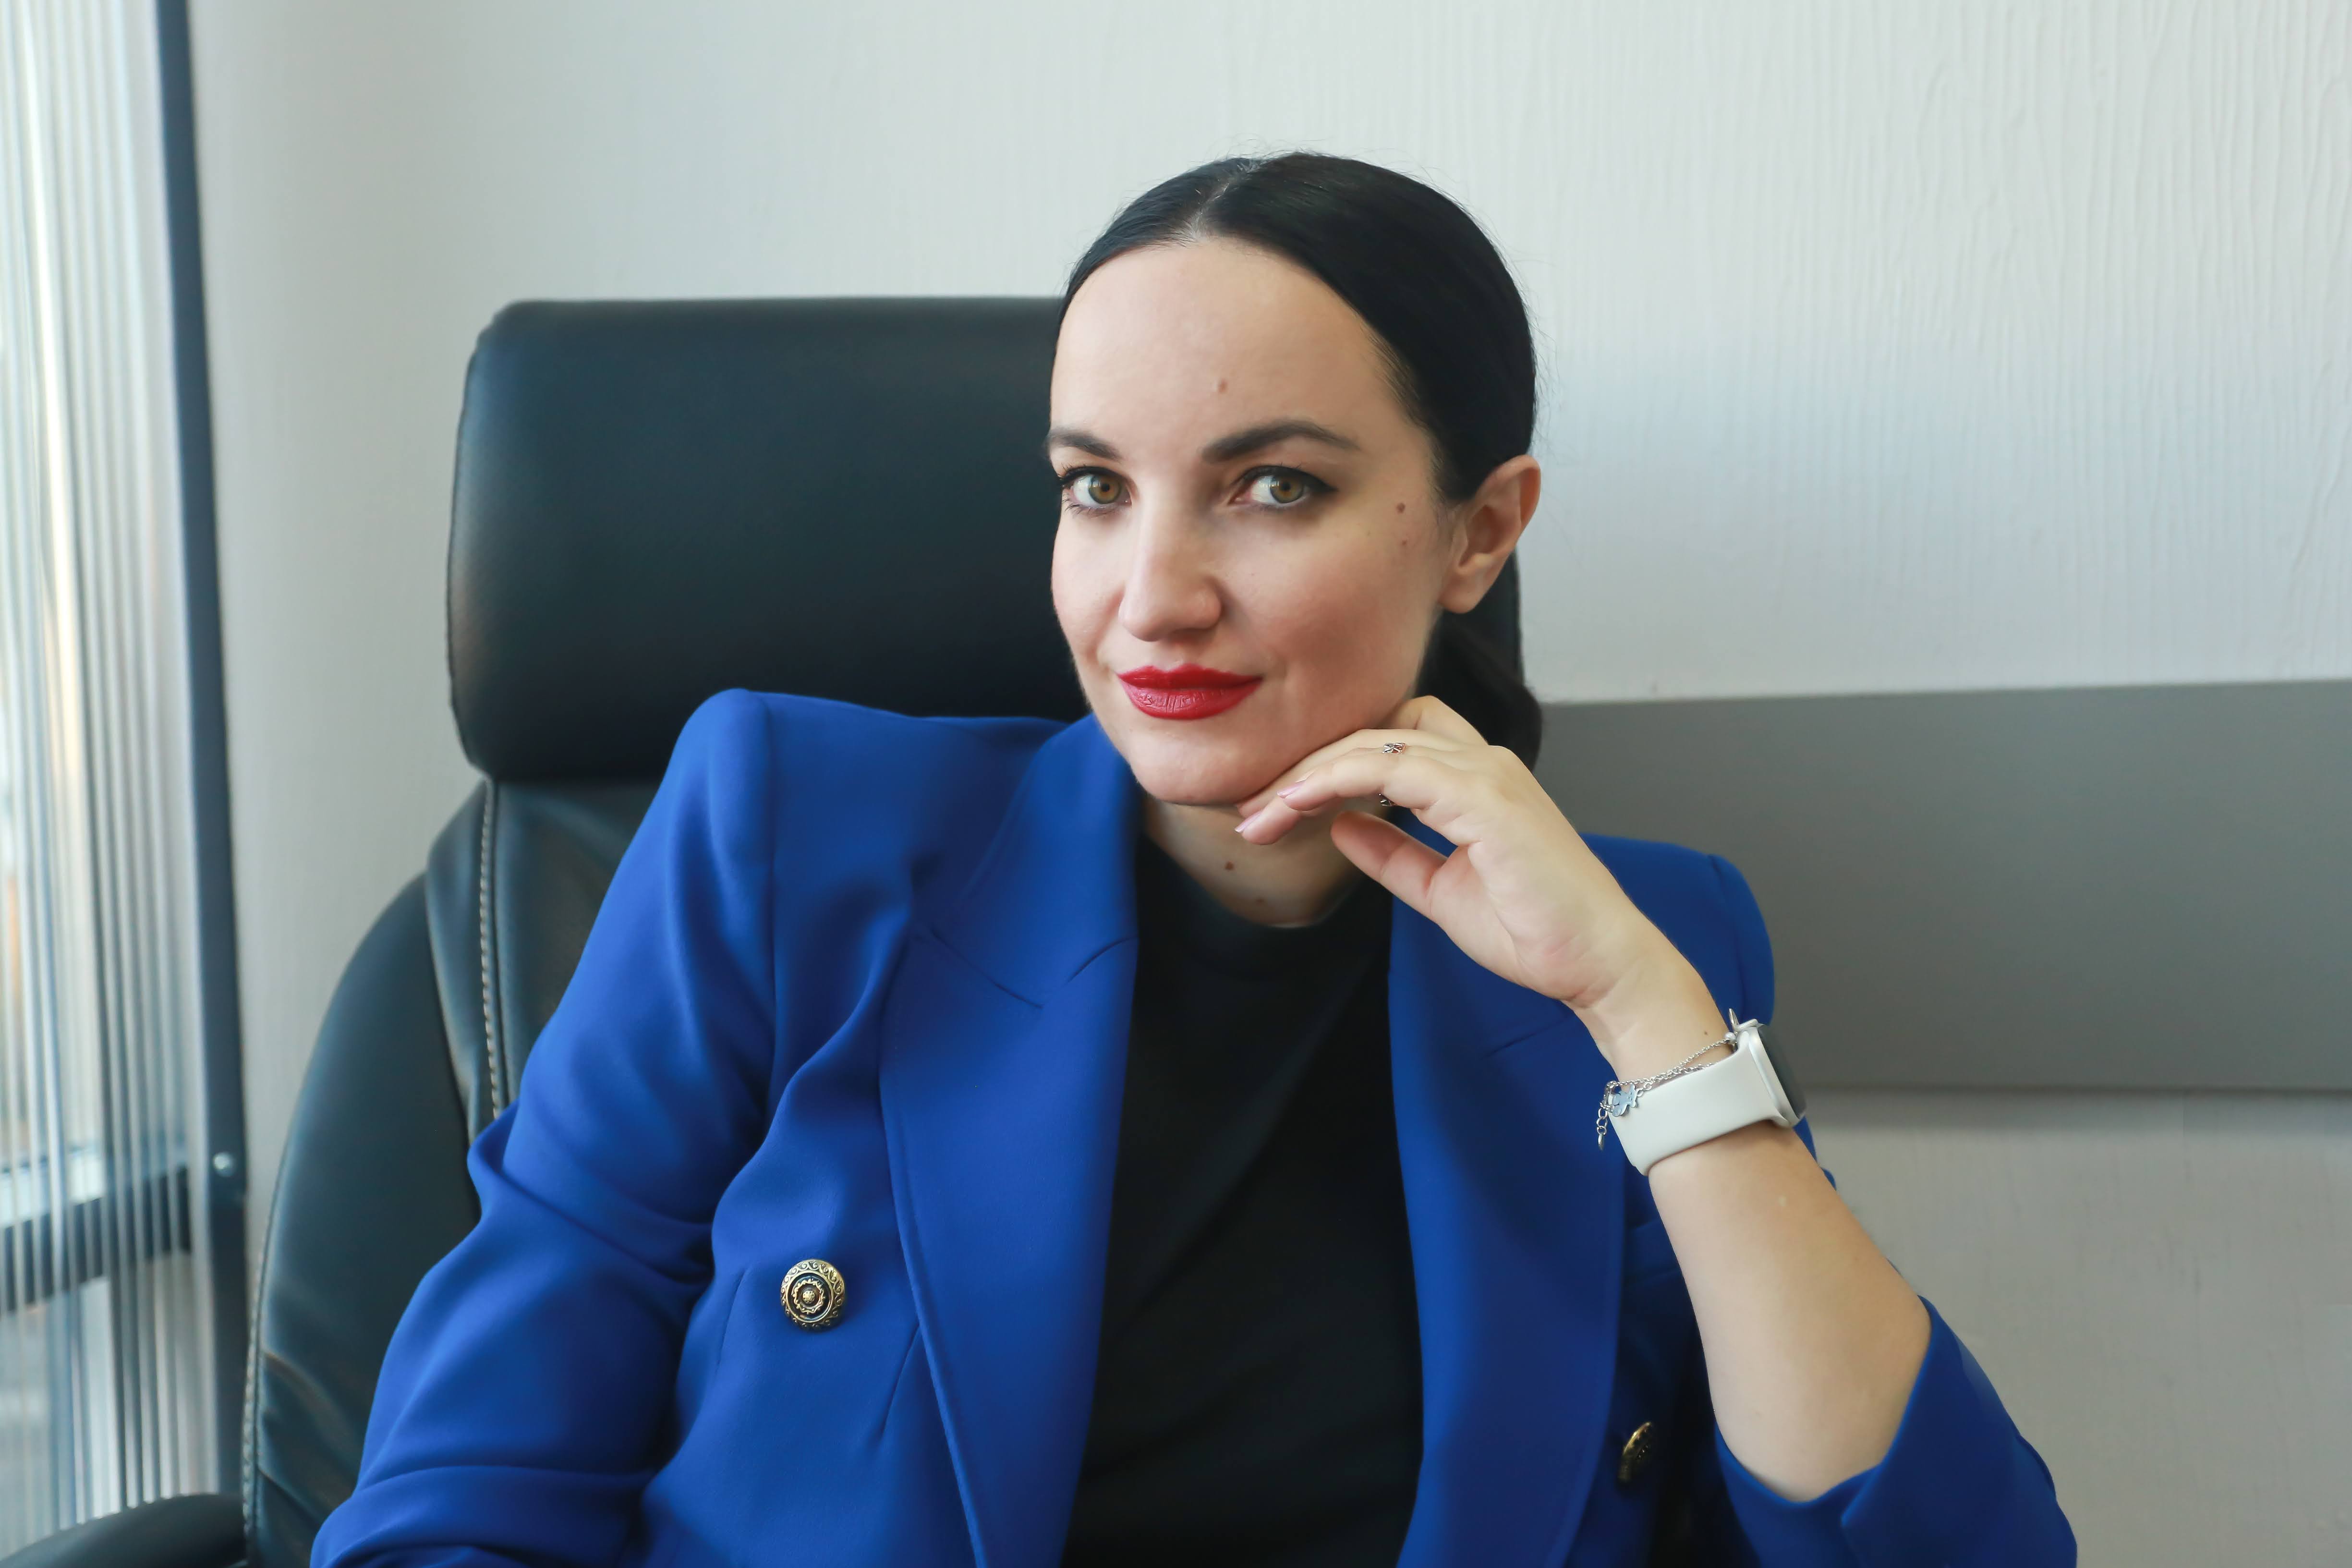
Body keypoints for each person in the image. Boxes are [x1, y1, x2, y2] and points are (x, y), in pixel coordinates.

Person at [317, 154, 2072, 1568]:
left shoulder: (1653, 944)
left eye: (1273, 487)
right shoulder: (787, 836)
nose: (1149, 596)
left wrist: (1640, 1010)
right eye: (1096, 486)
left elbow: (1943, 1548)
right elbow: (459, 1497)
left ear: (1479, 531)